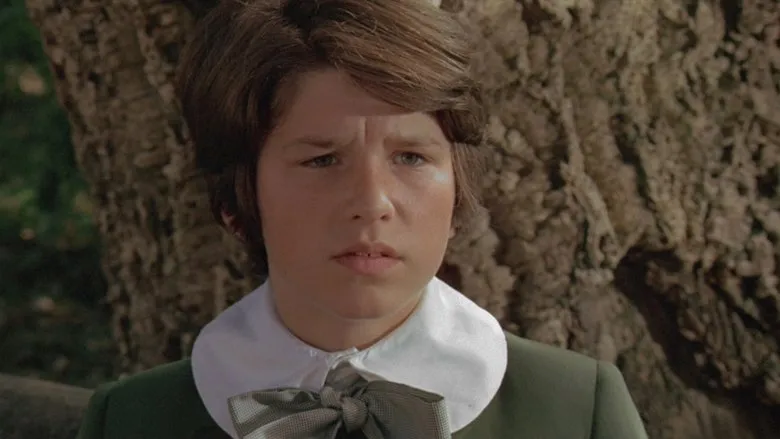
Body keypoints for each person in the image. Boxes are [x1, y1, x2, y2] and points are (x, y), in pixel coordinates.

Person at [76, 0, 648, 438]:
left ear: (457, 192)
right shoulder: (132, 420)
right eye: (322, 160)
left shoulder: (576, 408)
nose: (373, 201)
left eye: (411, 157)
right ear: (236, 200)